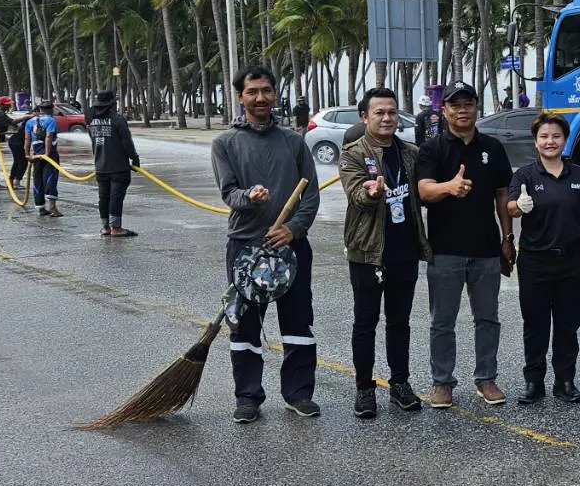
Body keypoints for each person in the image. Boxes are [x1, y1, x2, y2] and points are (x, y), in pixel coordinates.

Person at [212, 64, 323, 423]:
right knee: (244, 325)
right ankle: (248, 397)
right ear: (240, 96)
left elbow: (310, 194)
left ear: (276, 94)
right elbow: (228, 192)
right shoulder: (225, 143)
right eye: (252, 92)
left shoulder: (293, 142)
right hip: (245, 246)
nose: (260, 98)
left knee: (298, 320)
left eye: (266, 91)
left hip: (290, 247)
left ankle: (298, 393)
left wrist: (293, 229)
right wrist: (249, 197)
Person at [416, 80, 514, 409]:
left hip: (486, 249)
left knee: (487, 318)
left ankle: (486, 379)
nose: (462, 110)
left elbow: (503, 195)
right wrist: (449, 187)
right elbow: (424, 190)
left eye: (468, 104)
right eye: (455, 105)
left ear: (476, 108)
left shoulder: (493, 147)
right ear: (443, 110)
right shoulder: (432, 149)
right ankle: (442, 383)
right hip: (445, 250)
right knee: (442, 321)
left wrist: (507, 238)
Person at [339, 87, 429, 419]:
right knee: (365, 322)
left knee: (400, 322)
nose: (387, 118)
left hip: (404, 250)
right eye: (379, 112)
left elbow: (426, 189)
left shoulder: (410, 153)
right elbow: (355, 193)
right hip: (367, 251)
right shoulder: (352, 153)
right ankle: (364, 390)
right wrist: (371, 190)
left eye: (392, 112)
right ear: (365, 117)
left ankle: (400, 385)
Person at [508, 113, 580, 405]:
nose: (550, 142)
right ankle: (534, 382)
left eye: (556, 136)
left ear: (565, 140)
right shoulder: (525, 176)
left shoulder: (579, 175)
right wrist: (518, 206)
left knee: (567, 325)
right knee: (535, 325)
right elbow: (510, 207)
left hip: (571, 263)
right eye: (544, 137)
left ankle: (565, 381)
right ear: (536, 142)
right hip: (535, 262)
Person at [87, 89, 140, 237]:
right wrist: (134, 158)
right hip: (118, 167)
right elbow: (127, 143)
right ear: (111, 104)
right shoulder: (118, 119)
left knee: (103, 197)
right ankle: (116, 228)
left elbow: (93, 142)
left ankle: (106, 227)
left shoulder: (91, 120)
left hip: (100, 166)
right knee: (116, 197)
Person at [22, 102, 63, 218]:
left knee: (38, 179)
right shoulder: (51, 120)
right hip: (49, 154)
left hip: (35, 154)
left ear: (40, 109)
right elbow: (49, 137)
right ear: (51, 109)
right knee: (51, 178)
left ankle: (40, 207)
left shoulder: (30, 122)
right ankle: (52, 207)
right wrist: (47, 153)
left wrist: (27, 154)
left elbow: (27, 138)